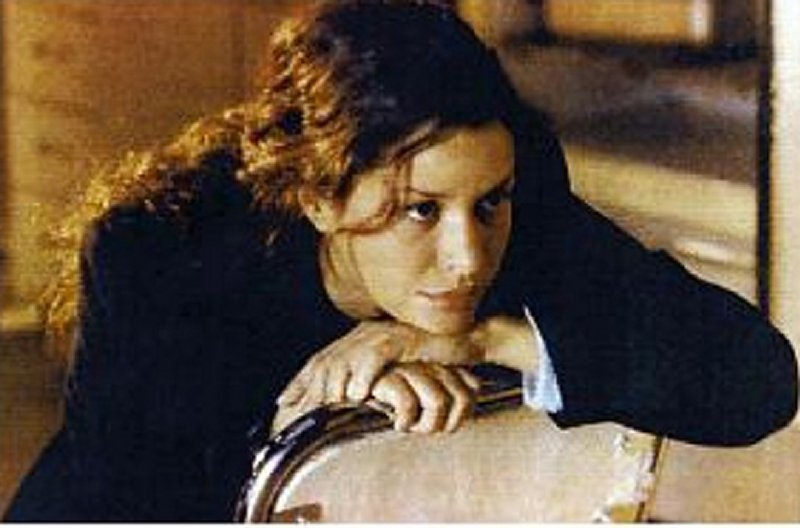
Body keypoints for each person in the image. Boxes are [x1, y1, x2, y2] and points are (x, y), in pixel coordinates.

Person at [5, 0, 797, 522]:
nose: (469, 256)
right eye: (420, 210)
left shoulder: (518, 210)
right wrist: (323, 416)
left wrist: (482, 338)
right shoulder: (154, 252)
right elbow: (134, 498)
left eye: (489, 202)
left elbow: (757, 379)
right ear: (319, 200)